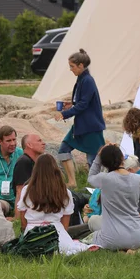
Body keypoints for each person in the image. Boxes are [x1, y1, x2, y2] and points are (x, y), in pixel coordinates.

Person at [17, 154, 94, 255]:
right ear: (56, 170)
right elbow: (65, 224)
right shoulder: (65, 192)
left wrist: (25, 234)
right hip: (56, 233)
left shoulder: (26, 190)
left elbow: (23, 220)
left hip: (33, 233)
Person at [55, 49, 106, 189]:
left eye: (72, 66)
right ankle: (72, 182)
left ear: (81, 65)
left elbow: (84, 104)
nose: (70, 69)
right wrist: (71, 104)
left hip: (91, 127)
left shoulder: (88, 80)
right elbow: (82, 101)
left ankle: (96, 189)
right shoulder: (82, 79)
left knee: (92, 159)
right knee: (64, 149)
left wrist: (64, 114)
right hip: (81, 125)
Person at [85, 144, 140, 251]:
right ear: (122, 159)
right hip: (137, 237)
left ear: (104, 163)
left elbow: (91, 177)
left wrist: (98, 157)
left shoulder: (104, 179)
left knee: (92, 226)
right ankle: (130, 250)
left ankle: (120, 250)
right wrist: (131, 210)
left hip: (112, 238)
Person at [11, 133, 47, 218]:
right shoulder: (23, 162)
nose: (43, 143)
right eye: (39, 141)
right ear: (29, 145)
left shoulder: (35, 163)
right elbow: (20, 190)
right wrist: (18, 217)